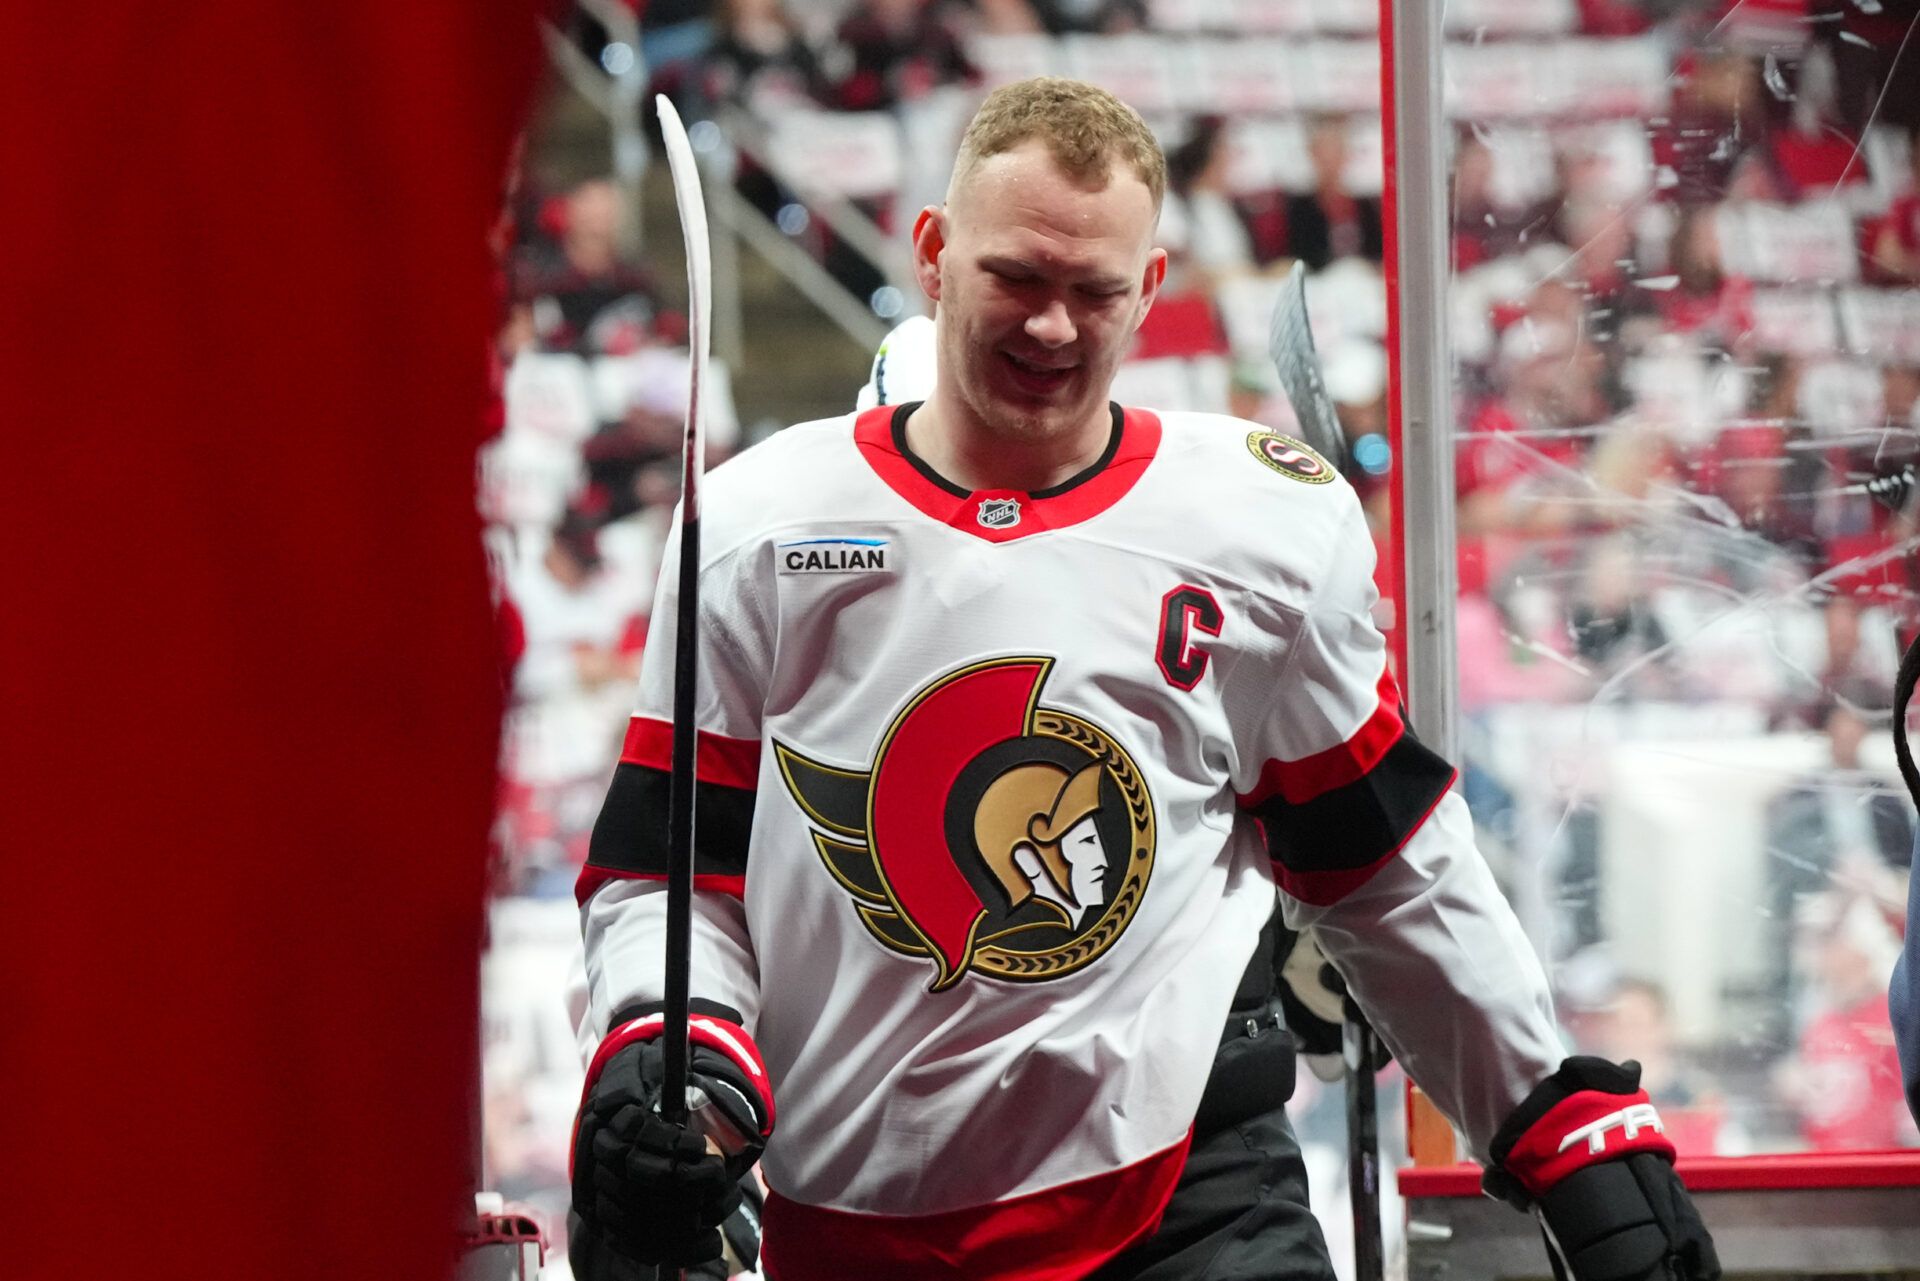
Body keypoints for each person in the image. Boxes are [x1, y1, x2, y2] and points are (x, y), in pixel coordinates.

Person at [567, 77, 1720, 1281]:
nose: (1053, 326)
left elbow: (1382, 863)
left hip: (1192, 1195)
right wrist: (669, 1039)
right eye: (1017, 277)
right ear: (933, 253)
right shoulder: (756, 525)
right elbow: (667, 868)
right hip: (851, 1214)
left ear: (1151, 292)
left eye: (1093, 291)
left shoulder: (1264, 528)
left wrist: (1557, 1117)